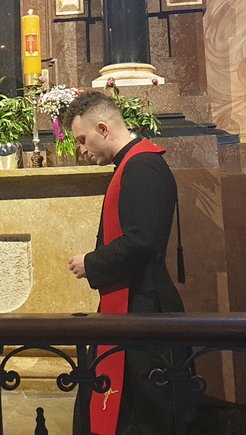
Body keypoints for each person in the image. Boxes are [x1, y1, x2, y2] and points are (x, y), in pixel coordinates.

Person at [64, 91, 184, 435]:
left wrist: (92, 263)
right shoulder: (133, 164)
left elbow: (142, 241)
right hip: (135, 303)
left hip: (144, 308)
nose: (81, 150)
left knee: (145, 416)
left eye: (82, 140)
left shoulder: (142, 166)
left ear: (103, 128)